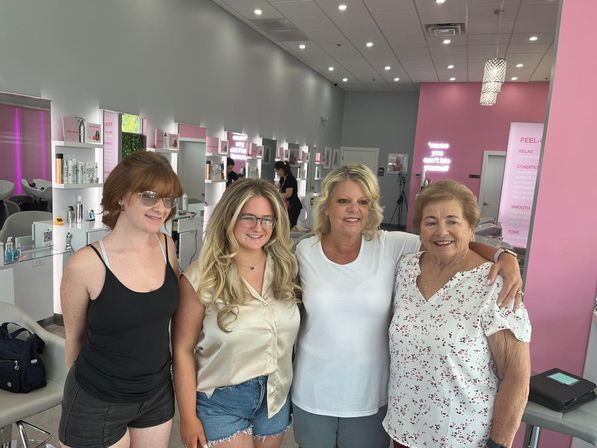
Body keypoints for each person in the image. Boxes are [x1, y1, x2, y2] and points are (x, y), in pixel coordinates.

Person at [291, 164, 523, 448]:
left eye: (363, 202)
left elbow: (451, 243)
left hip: (370, 397)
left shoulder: (390, 245)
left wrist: (504, 255)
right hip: (313, 391)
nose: (354, 209)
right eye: (343, 201)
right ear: (327, 206)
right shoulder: (305, 251)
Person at [383, 180, 531, 448]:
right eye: (431, 222)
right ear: (419, 228)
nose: (441, 231)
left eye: (453, 221)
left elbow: (516, 377)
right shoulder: (405, 269)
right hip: (403, 430)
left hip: (461, 437)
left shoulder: (495, 284)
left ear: (471, 227)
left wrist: (499, 444)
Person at [58, 151, 183, 448]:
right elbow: (73, 339)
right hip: (97, 398)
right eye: (150, 196)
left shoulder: (166, 246)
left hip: (156, 394)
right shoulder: (86, 264)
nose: (161, 208)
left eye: (168, 199)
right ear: (121, 197)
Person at [172, 178, 300, 448]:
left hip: (275, 395)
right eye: (249, 217)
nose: (259, 227)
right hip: (222, 399)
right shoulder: (201, 277)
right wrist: (186, 417)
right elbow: (182, 350)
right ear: (229, 217)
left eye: (268, 219)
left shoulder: (287, 268)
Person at [273, 160, 302, 228]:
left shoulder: (290, 179)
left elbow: (288, 194)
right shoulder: (283, 178)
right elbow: (276, 186)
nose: (277, 173)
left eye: (277, 171)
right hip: (288, 205)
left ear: (281, 169)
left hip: (293, 205)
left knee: (290, 224)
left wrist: (277, 195)